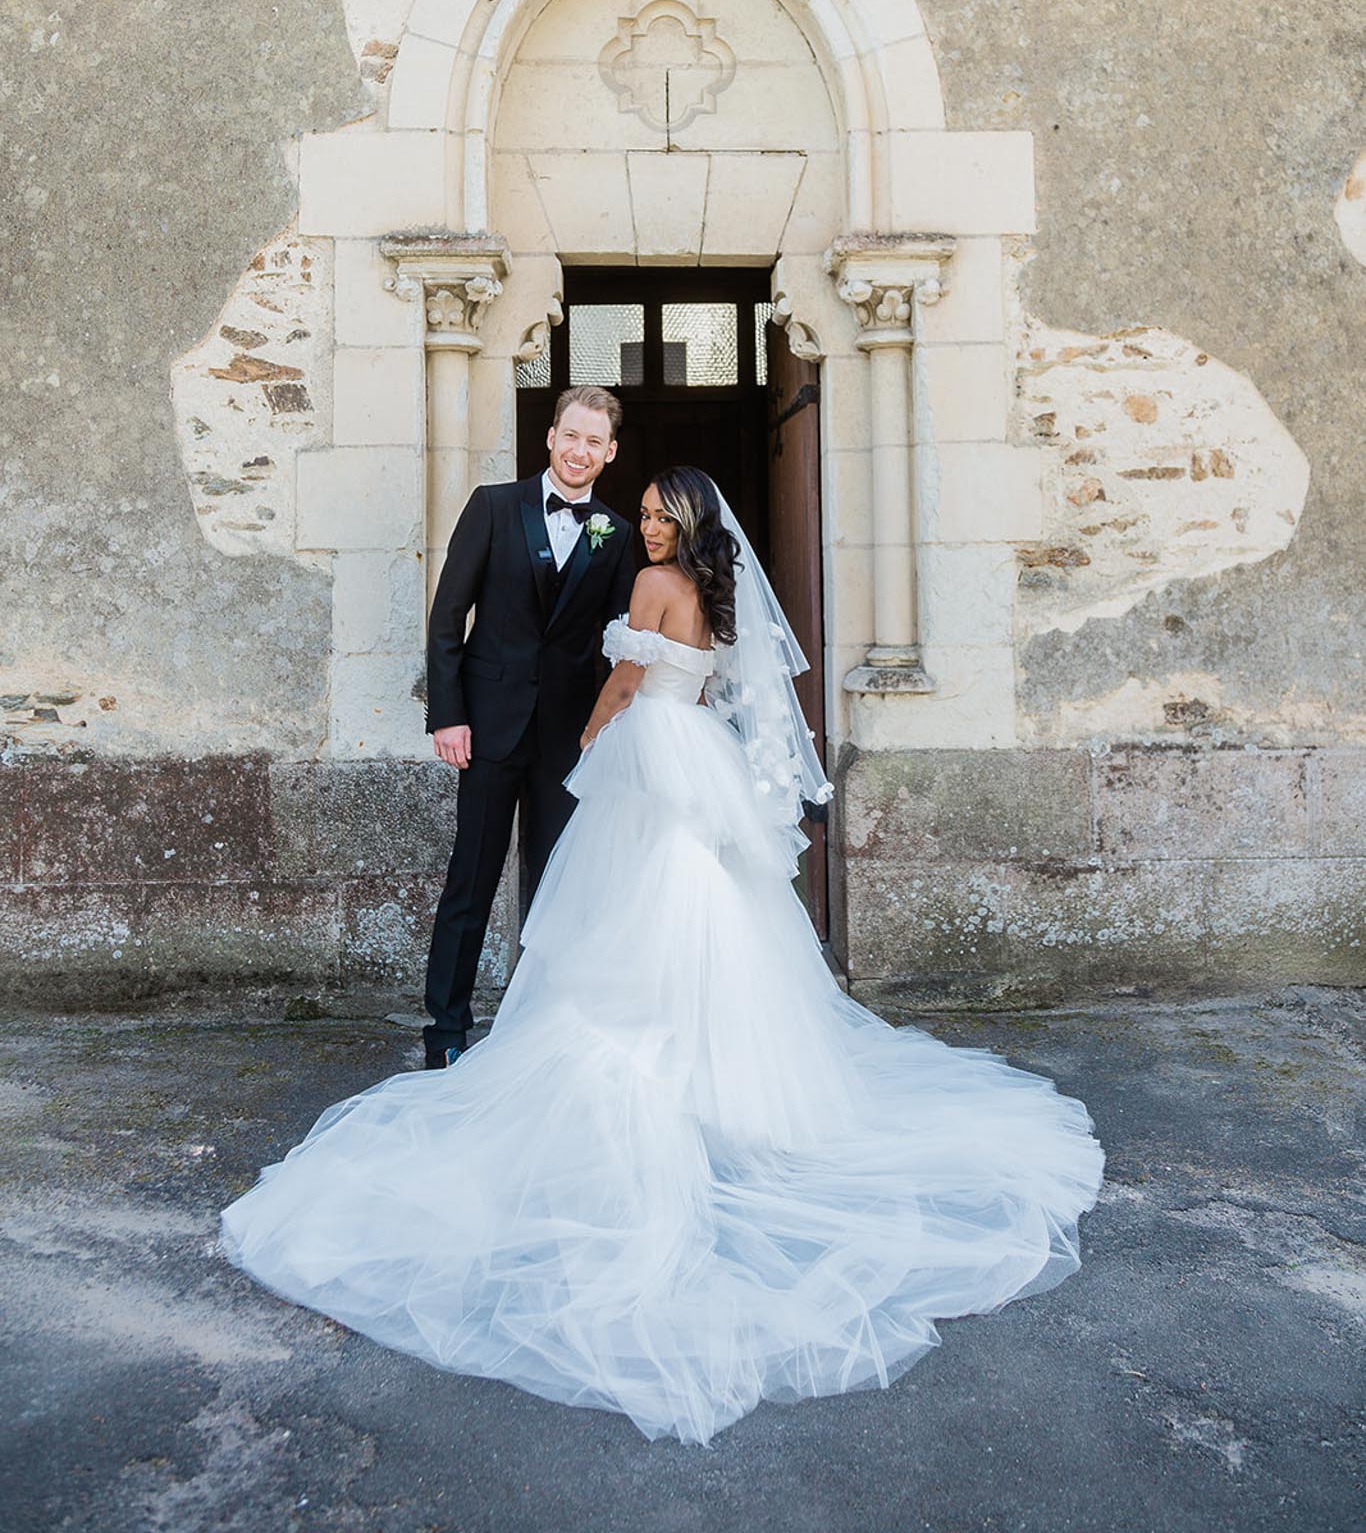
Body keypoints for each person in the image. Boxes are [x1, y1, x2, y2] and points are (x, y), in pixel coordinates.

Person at [222, 468, 1105, 1447]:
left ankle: (639, 1063)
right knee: (718, 914)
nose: (642, 524)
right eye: (637, 511)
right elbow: (718, 684)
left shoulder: (651, 585)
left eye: (654, 512)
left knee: (627, 901)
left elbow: (625, 678)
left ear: (680, 521)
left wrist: (595, 730)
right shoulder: (721, 591)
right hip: (702, 753)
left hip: (651, 748)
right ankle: (724, 1077)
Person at [420, 385, 635, 1069]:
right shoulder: (492, 506)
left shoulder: (618, 535)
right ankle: (446, 1032)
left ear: (610, 453)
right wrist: (448, 715)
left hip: (567, 743)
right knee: (471, 882)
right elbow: (447, 617)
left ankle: (540, 1030)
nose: (580, 451)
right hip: (486, 729)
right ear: (550, 438)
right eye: (571, 436)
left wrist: (608, 730)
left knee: (557, 889)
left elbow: (622, 644)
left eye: (594, 442)